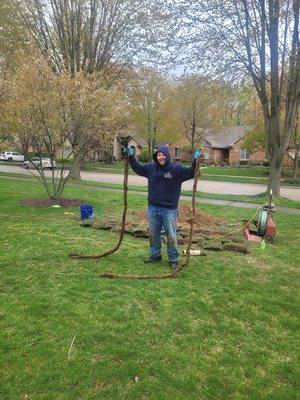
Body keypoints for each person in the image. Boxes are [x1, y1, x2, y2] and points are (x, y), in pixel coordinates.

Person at [127, 145, 202, 269]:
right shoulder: (151, 168)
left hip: (169, 210)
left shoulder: (176, 170)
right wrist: (130, 156)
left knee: (171, 235)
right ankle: (156, 254)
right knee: (154, 234)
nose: (161, 157)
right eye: (158, 155)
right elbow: (138, 168)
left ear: (167, 156)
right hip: (153, 208)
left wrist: (195, 160)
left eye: (163, 155)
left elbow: (190, 172)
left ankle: (173, 259)